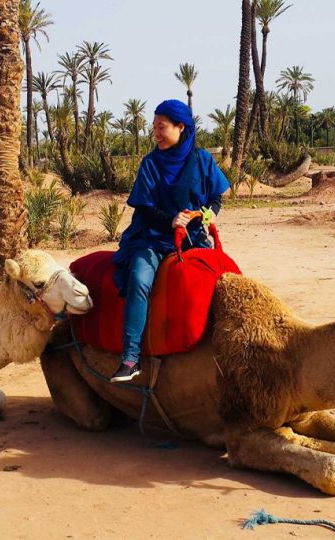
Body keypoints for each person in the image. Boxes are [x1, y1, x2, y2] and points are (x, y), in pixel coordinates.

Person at [109, 99, 229, 383]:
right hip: (151, 238)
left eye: (161, 127)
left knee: (220, 280)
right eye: (154, 128)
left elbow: (216, 196)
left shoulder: (202, 160)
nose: (156, 134)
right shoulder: (150, 164)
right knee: (139, 280)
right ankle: (131, 358)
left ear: (180, 127)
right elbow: (144, 207)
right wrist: (170, 221)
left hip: (193, 238)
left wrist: (211, 212)